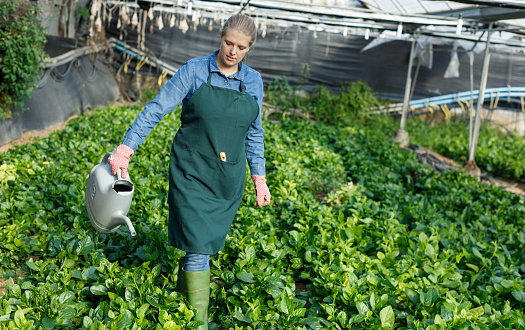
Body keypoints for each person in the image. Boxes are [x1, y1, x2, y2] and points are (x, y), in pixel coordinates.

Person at [108, 14, 271, 329]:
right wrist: (126, 149)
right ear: (220, 38)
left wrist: (259, 178)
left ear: (249, 48)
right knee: (198, 246)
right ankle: (197, 322)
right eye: (228, 42)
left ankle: (182, 310)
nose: (232, 52)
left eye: (241, 47)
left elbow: (254, 132)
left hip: (228, 179)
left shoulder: (253, 81)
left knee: (202, 247)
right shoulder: (195, 71)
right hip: (192, 171)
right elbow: (156, 108)